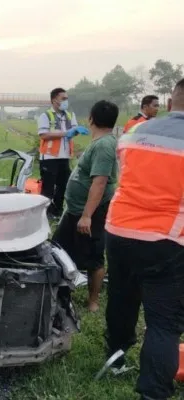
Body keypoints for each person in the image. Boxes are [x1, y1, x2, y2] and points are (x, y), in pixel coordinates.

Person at [102, 78, 184, 400]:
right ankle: (153, 393)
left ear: (167, 103)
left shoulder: (135, 132)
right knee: (164, 323)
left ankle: (115, 358)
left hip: (119, 229)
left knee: (122, 298)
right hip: (165, 239)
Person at [52, 100, 119, 313]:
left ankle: (93, 302)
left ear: (91, 118)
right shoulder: (100, 142)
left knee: (93, 256)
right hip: (75, 210)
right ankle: (62, 293)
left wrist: (87, 216)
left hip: (90, 212)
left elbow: (100, 182)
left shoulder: (104, 145)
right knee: (59, 249)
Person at [37, 88, 89, 219]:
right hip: (49, 157)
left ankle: (57, 212)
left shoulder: (70, 115)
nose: (66, 101)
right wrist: (66, 133)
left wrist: (77, 130)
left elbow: (74, 130)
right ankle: (45, 214)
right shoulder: (45, 116)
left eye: (67, 98)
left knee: (63, 186)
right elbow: (44, 134)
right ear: (54, 100)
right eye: (63, 98)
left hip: (64, 156)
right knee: (48, 188)